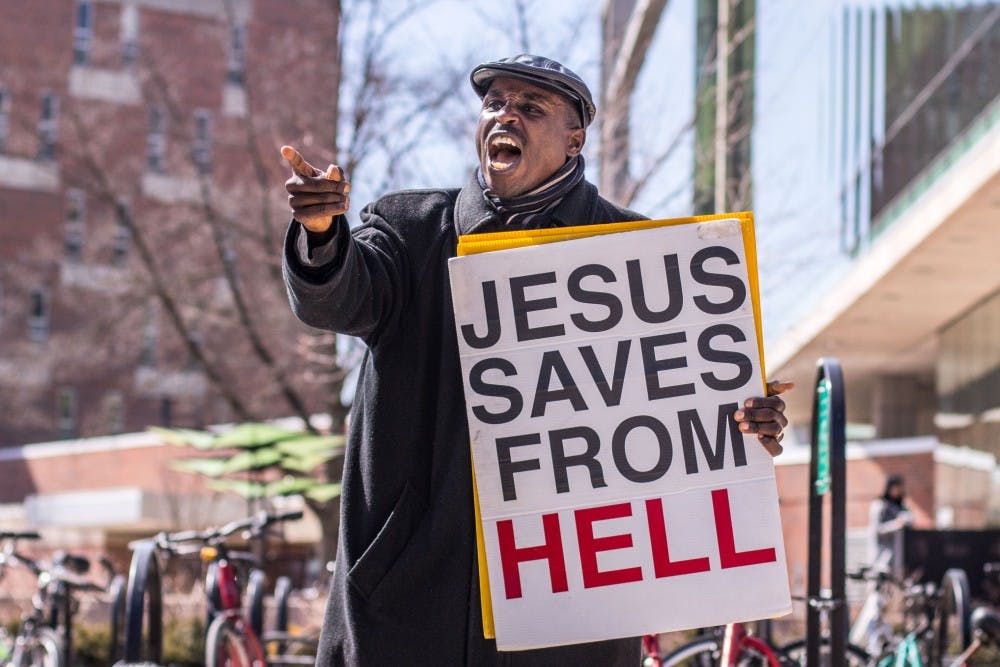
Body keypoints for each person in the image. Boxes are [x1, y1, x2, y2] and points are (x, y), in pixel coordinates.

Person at [281, 54, 792, 666]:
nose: (506, 117)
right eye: (495, 103)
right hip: (412, 606)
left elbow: (684, 417)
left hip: (574, 620)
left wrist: (744, 420)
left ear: (574, 139)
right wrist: (319, 235)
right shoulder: (410, 230)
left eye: (530, 108)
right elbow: (338, 296)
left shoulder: (643, 256)